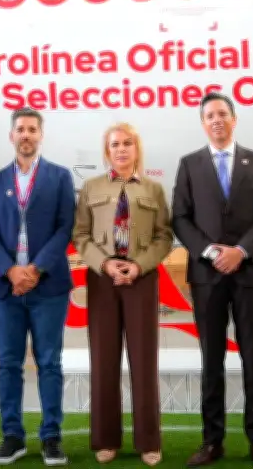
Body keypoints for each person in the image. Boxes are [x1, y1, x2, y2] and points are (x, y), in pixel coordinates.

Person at [171, 92, 253, 469]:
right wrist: (212, 252)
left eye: (222, 114)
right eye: (209, 115)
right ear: (202, 123)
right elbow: (180, 219)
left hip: (249, 275)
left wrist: (241, 251)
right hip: (207, 277)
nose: (216, 120)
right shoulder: (189, 164)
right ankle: (212, 441)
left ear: (234, 119)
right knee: (211, 360)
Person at [72, 122, 173, 466]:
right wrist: (105, 264)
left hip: (141, 279)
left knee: (144, 360)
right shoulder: (91, 188)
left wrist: (139, 265)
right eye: (114, 144)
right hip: (103, 280)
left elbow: (164, 237)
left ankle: (148, 441)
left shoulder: (153, 189)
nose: (121, 149)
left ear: (136, 149)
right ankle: (106, 439)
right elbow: (81, 236)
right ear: (107, 151)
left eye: (127, 143)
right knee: (103, 360)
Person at [0, 107, 75, 466]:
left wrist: (34, 268)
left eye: (33, 129)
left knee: (50, 363)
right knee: (8, 364)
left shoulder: (60, 177)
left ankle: (51, 437)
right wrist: (10, 271)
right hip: (6, 289)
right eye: (20, 129)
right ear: (11, 136)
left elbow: (65, 227)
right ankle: (12, 436)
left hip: (47, 286)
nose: (26, 135)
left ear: (41, 135)